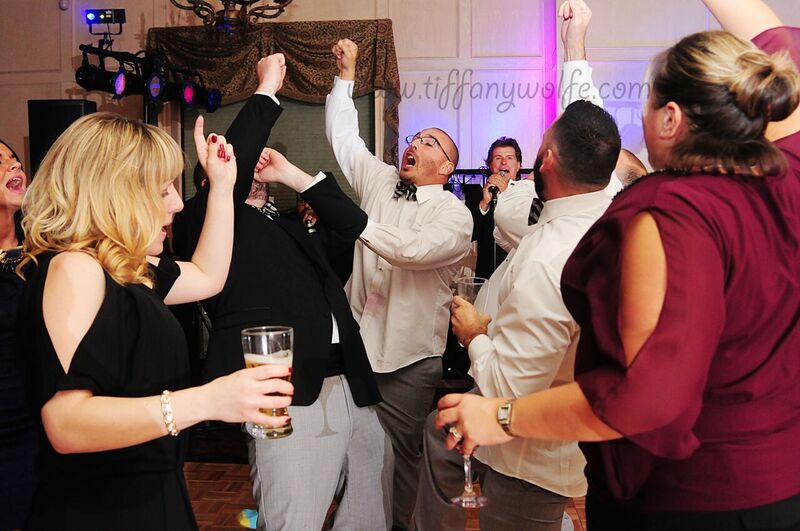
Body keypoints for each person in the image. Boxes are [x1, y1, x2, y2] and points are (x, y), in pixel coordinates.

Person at [436, 1, 800, 529]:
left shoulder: (669, 218)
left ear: (671, 119)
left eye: (648, 104)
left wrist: (501, 415)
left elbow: (645, 399)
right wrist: (575, 51)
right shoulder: (785, 175)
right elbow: (777, 39)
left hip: (685, 496)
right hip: (783, 483)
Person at [16, 111, 293, 531]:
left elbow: (208, 276)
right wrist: (207, 401)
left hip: (154, 497)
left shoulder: (123, 268)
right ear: (113, 193)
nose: (177, 204)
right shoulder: (75, 267)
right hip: (100, 511)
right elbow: (66, 423)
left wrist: (221, 186)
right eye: (162, 190)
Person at [415, 3, 620, 530]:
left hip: (529, 451)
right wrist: (574, 49)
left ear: (544, 161)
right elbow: (587, 126)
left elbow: (509, 384)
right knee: (437, 444)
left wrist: (475, 333)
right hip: (543, 430)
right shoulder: (606, 196)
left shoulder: (554, 257)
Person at [172, 54, 390, 531]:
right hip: (285, 390)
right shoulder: (199, 220)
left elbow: (353, 225)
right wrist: (267, 86)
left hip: (349, 382)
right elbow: (233, 164)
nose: (254, 165)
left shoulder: (291, 225)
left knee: (369, 514)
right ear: (210, 180)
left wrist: (294, 176)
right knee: (295, 515)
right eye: (242, 162)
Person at [327, 38, 473, 530]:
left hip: (410, 357)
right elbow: (344, 140)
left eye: (430, 143)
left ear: (447, 167)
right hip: (355, 343)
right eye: (415, 138)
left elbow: (411, 253)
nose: (415, 144)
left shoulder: (455, 216)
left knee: (402, 455)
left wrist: (354, 222)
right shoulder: (380, 180)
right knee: (353, 446)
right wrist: (345, 77)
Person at [0, 139, 36, 529]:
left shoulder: (44, 253)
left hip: (42, 425)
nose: (14, 166)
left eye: (15, 159)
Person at [472, 137, 523, 278]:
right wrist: (484, 203)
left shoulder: (529, 195)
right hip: (486, 276)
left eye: (510, 158)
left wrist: (506, 193)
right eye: (498, 158)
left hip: (517, 275)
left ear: (518, 165)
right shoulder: (478, 196)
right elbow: (470, 234)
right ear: (491, 165)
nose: (504, 163)